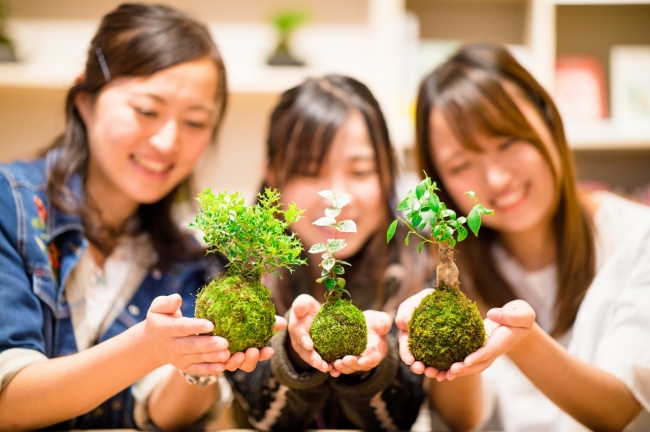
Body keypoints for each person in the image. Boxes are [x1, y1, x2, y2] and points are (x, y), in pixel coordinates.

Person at [0, 4, 281, 430]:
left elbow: (157, 411)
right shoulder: (11, 207)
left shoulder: (186, 257)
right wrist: (147, 348)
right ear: (85, 101)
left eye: (195, 121)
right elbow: (9, 402)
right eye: (147, 110)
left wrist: (199, 362)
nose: (168, 141)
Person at [397, 42, 650, 431]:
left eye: (507, 142)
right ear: (438, 182)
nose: (496, 179)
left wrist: (520, 336)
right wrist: (443, 357)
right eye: (462, 163)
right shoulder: (453, 269)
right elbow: (464, 420)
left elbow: (619, 410)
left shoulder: (638, 236)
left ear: (548, 121)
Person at [225, 75, 484, 431]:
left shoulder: (424, 266)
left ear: (388, 171)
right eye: (309, 170)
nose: (337, 196)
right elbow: (250, 404)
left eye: (360, 170)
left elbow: (457, 421)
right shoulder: (235, 272)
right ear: (272, 176)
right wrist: (295, 358)